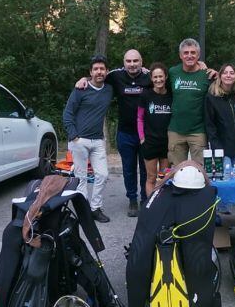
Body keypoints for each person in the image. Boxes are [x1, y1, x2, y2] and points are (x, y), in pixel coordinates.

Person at [126, 161, 219, 307]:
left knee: (141, 252)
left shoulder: (159, 193)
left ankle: (138, 297)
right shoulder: (205, 195)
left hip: (162, 227)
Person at [75, 49, 150, 217]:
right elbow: (97, 76)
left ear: (141, 61)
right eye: (129, 61)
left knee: (145, 169)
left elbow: (165, 81)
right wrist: (84, 79)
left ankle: (145, 200)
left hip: (146, 134)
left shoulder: (149, 76)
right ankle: (132, 200)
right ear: (124, 62)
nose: (132, 64)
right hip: (125, 133)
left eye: (135, 61)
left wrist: (201, 66)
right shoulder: (116, 76)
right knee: (129, 169)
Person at [63, 55, 112, 223]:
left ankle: (95, 208)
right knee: (81, 177)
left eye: (102, 69)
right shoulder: (81, 89)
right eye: (95, 69)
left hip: (98, 140)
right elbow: (68, 113)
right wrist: (73, 135)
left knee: (103, 175)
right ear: (90, 72)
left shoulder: (109, 89)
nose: (99, 71)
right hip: (79, 140)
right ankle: (84, 211)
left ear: (106, 71)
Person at [167, 38, 212, 166]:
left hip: (198, 131)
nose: (189, 55)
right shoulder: (173, 72)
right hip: (175, 130)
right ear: (180, 55)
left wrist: (217, 73)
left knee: (201, 171)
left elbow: (224, 86)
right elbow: (156, 80)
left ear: (198, 55)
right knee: (176, 171)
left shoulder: (206, 74)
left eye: (193, 52)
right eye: (186, 53)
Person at [137, 62, 172, 197]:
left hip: (167, 144)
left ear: (166, 77)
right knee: (151, 178)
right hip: (150, 143)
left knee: (164, 178)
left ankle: (161, 207)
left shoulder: (171, 95)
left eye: (161, 76)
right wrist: (142, 138)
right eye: (155, 77)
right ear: (151, 78)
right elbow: (139, 118)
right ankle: (150, 208)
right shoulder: (146, 95)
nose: (158, 80)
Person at [204, 63, 235, 168]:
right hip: (220, 149)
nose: (228, 75)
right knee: (224, 178)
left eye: (231, 73)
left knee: (234, 178)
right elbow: (210, 125)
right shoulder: (212, 97)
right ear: (220, 76)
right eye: (225, 73)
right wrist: (216, 148)